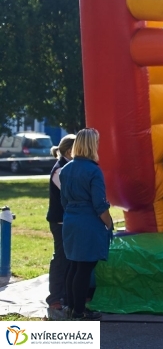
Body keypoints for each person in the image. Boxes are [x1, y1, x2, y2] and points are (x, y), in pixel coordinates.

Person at [59, 128, 113, 321]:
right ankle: (79, 312)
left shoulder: (66, 169)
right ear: (92, 145)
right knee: (84, 269)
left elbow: (64, 200)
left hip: (71, 221)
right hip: (88, 223)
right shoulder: (93, 170)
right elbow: (100, 205)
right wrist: (109, 224)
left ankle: (72, 308)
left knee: (74, 266)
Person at [45, 134, 76, 320]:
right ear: (68, 151)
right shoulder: (59, 170)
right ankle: (54, 298)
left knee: (68, 259)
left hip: (68, 221)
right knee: (60, 259)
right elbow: (69, 193)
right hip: (59, 221)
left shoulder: (67, 167)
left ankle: (65, 296)